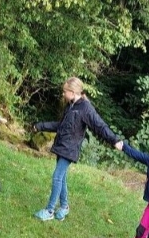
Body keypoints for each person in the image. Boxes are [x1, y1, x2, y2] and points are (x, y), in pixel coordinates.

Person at [32, 77, 121, 221]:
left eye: (64, 91)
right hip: (62, 146)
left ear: (72, 92)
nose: (62, 94)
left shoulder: (86, 108)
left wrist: (114, 140)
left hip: (70, 149)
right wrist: (41, 126)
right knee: (62, 177)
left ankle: (49, 211)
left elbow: (100, 126)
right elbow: (60, 125)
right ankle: (65, 207)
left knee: (57, 177)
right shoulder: (70, 105)